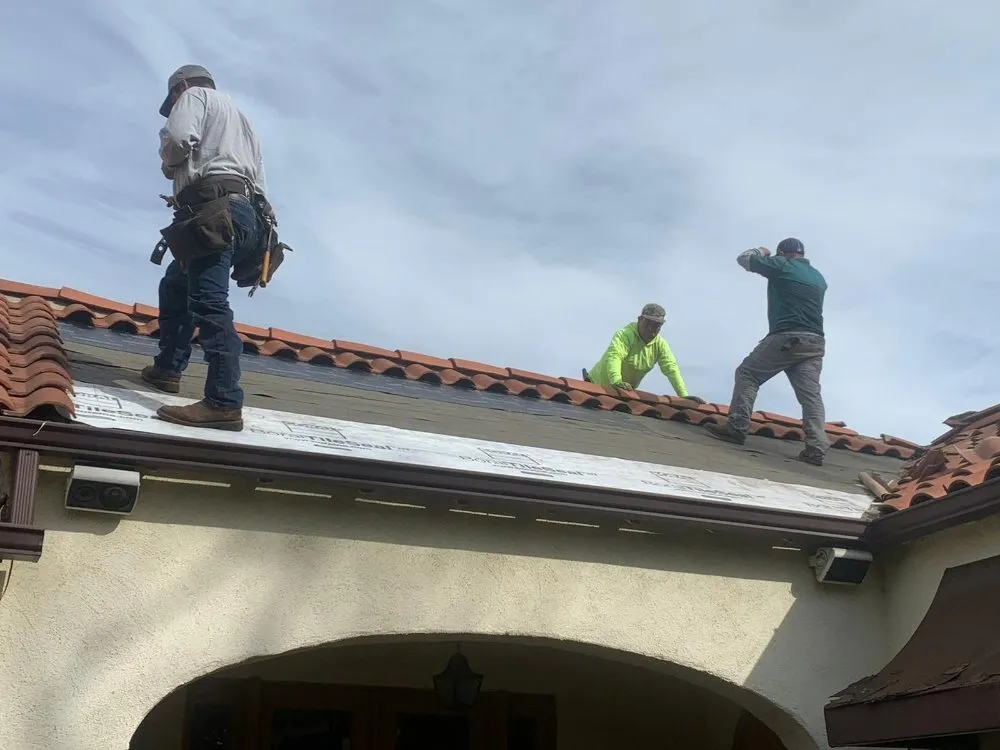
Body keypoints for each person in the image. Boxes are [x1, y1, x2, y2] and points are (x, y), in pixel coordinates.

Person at [140, 65, 268, 432]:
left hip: (213, 212)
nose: (174, 106)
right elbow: (259, 179)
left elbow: (178, 138)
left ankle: (223, 401)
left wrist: (170, 164)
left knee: (209, 302)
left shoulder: (195, 96)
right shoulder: (242, 119)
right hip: (245, 216)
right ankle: (167, 369)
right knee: (176, 283)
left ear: (180, 87)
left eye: (172, 101)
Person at [704, 238, 829, 466]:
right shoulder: (818, 277)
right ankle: (816, 448)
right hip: (814, 343)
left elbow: (744, 259)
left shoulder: (782, 265)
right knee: (811, 396)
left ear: (783, 253)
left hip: (788, 337)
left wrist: (762, 251)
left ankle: (736, 428)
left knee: (748, 373)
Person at [584, 303, 701, 401]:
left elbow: (671, 369)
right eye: (648, 323)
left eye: (656, 325)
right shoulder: (625, 334)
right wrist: (617, 381)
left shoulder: (660, 345)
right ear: (640, 319)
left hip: (621, 394)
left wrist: (683, 396)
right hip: (595, 386)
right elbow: (615, 356)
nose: (651, 329)